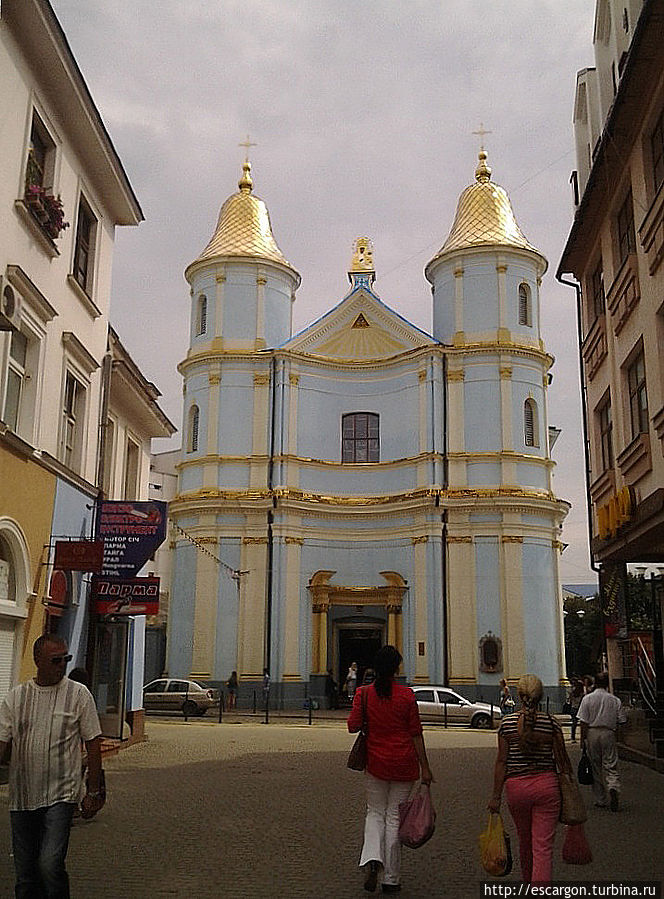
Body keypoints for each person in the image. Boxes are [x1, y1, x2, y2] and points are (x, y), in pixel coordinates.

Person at [0, 634, 104, 897]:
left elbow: (93, 742)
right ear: (37, 660)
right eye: (56, 660)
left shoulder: (78, 695)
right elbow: (2, 742)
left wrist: (92, 791)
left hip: (61, 794)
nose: (62, 665)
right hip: (23, 797)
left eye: (65, 659)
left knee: (49, 864)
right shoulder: (16, 697)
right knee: (25, 874)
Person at [348, 645, 433, 894]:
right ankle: (391, 878)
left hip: (376, 764)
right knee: (395, 816)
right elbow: (416, 734)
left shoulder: (364, 694)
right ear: (397, 668)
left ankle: (373, 858)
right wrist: (425, 768)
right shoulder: (407, 696)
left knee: (374, 813)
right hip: (404, 765)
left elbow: (352, 726)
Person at [488, 674, 573, 884]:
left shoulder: (507, 724)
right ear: (541, 696)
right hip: (547, 787)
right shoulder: (551, 723)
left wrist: (495, 798)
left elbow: (501, 762)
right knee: (542, 847)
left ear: (519, 696)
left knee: (524, 842)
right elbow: (562, 759)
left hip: (516, 789)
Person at [576, 670, 627, 811]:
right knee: (611, 763)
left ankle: (601, 799)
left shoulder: (587, 699)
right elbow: (622, 721)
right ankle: (613, 786)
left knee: (595, 766)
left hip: (592, 732)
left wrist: (582, 739)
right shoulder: (614, 700)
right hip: (609, 732)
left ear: (595, 683)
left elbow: (583, 721)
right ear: (607, 684)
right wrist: (619, 738)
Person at [568, 678, 584, 742]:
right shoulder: (581, 694)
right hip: (580, 708)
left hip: (573, 708)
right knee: (582, 723)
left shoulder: (572, 692)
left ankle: (573, 737)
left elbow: (570, 700)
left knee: (574, 724)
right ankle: (583, 737)